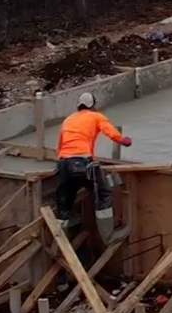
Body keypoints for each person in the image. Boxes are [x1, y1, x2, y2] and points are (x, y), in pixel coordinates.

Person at [54, 93, 130, 224]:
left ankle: (60, 232)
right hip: (83, 162)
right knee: (102, 192)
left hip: (64, 164)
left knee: (64, 199)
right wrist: (124, 140)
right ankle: (106, 231)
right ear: (93, 105)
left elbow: (60, 146)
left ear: (78, 105)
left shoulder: (68, 120)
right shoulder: (96, 116)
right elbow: (110, 131)